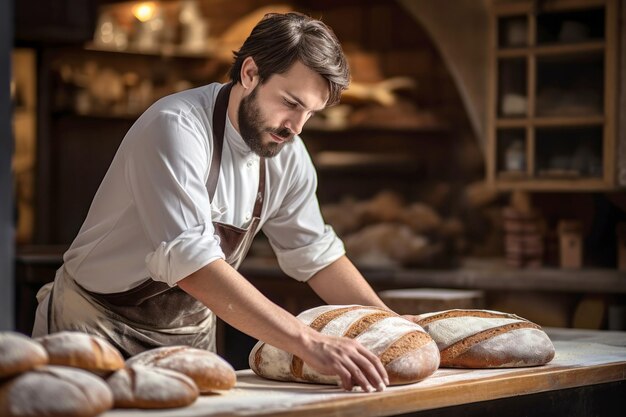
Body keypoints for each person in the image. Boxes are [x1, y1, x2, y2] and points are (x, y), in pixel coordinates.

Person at [33, 12, 414, 393]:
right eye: (290, 103)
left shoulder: (287, 153)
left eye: (309, 113)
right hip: (94, 327)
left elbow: (316, 255)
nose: (296, 127)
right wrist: (309, 342)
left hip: (189, 339)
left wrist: (391, 327)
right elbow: (193, 264)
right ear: (250, 73)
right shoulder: (175, 127)